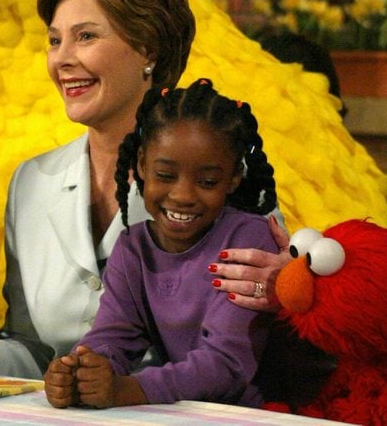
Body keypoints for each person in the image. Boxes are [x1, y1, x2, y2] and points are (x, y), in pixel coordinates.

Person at [0, 0, 288, 377]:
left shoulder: (227, 176)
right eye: (55, 41)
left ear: (149, 48)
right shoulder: (31, 182)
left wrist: (291, 291)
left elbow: (256, 342)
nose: (61, 60)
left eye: (85, 37)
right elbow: (33, 345)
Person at [44, 78, 279, 408]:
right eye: (166, 176)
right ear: (141, 165)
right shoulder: (133, 247)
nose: (183, 195)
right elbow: (115, 335)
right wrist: (81, 369)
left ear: (233, 178)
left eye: (208, 181)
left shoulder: (248, 240)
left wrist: (128, 390)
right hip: (180, 412)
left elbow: (226, 364)